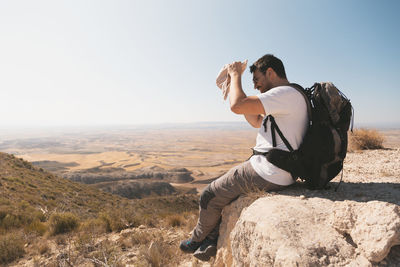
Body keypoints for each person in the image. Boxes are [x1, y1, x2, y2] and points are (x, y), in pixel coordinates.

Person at [179, 54, 308, 261]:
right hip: (281, 171)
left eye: (257, 79)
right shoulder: (288, 96)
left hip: (268, 171)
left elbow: (237, 105)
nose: (256, 86)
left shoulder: (284, 94)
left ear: (270, 73)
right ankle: (212, 239)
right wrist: (233, 86)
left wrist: (234, 74)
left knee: (209, 195)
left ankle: (197, 239)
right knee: (225, 194)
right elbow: (256, 120)